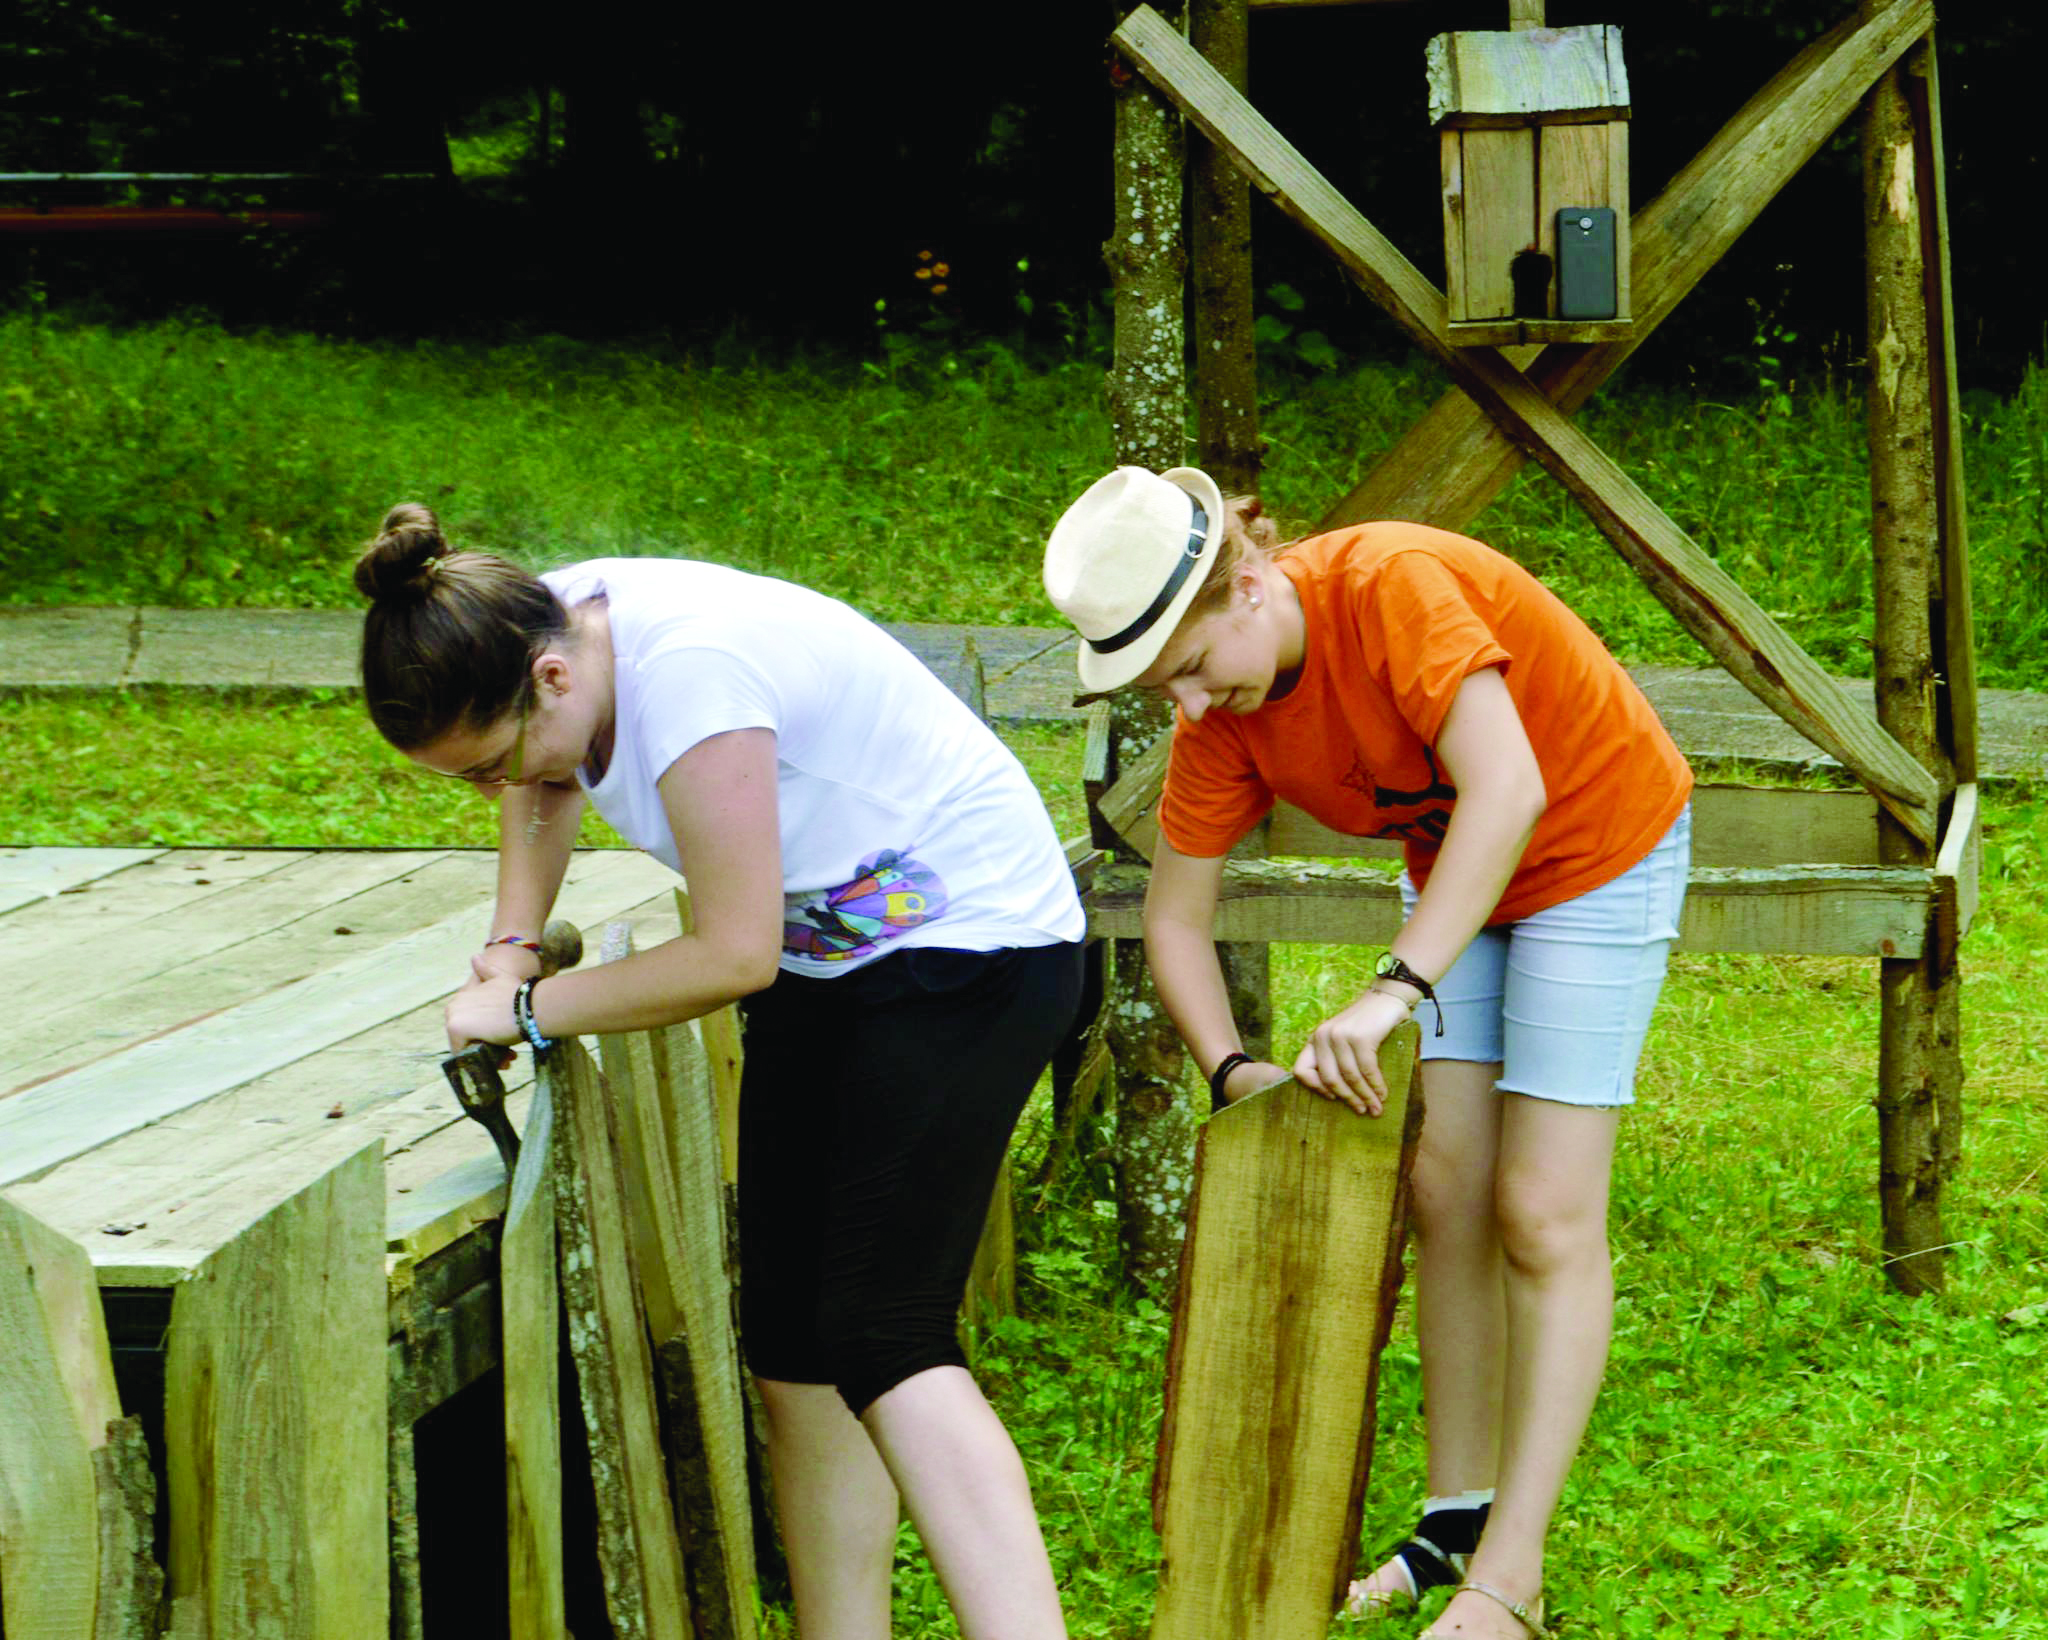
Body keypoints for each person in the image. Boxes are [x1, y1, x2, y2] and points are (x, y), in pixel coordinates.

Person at [355, 504, 1087, 1640]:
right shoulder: (534, 625)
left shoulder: (693, 680)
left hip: (970, 950)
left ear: (551, 677)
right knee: (794, 1347)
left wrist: (531, 1009)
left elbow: (733, 954)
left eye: (489, 764)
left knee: (883, 1332)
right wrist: (511, 939)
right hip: (830, 949)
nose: (493, 791)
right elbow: (545, 784)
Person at [1041, 467, 1693, 1640]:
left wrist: (1392, 987)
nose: (1188, 703)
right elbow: (1175, 921)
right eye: (1160, 686)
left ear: (1247, 582)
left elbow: (1509, 787)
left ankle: (1511, 1574)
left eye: (1191, 665)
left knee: (1540, 1208)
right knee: (1445, 1190)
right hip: (1462, 871)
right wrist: (1229, 1068)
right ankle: (1453, 1520)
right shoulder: (1222, 716)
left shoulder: (1390, 585)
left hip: (1596, 845)